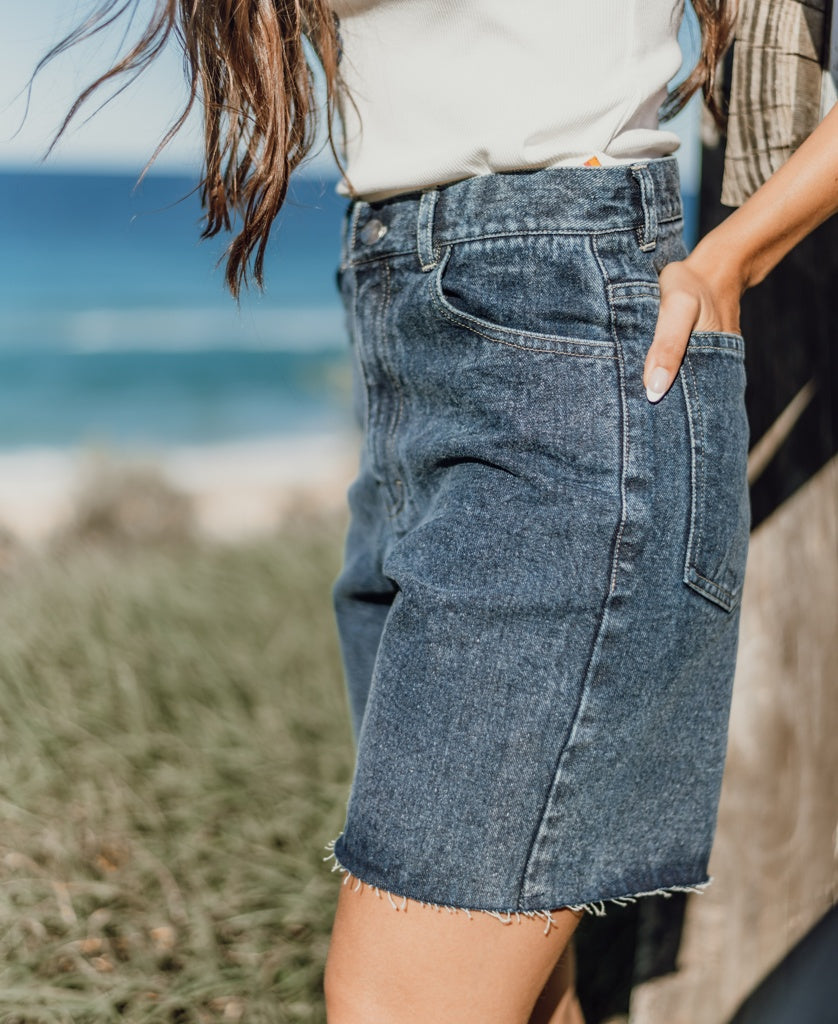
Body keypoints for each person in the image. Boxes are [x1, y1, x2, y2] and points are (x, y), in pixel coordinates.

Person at [43, 1, 838, 1021]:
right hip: (400, 344)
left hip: (564, 329)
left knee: (399, 997)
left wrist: (734, 258)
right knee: (515, 986)